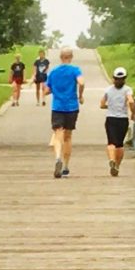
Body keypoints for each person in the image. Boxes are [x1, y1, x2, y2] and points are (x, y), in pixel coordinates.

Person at [46, 43, 83, 176]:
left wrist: (54, 90)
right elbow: (82, 82)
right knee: (68, 137)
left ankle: (57, 158)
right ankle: (66, 166)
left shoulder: (53, 72)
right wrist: (81, 95)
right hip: (72, 106)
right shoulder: (75, 70)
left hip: (57, 107)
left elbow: (46, 90)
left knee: (58, 134)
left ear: (61, 57)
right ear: (71, 57)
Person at [99, 61, 135, 175]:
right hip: (123, 119)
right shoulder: (128, 89)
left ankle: (111, 159)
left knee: (111, 142)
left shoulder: (108, 90)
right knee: (119, 144)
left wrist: (109, 106)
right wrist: (133, 113)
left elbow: (101, 104)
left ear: (113, 78)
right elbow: (131, 101)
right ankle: (117, 166)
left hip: (111, 118)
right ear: (124, 78)